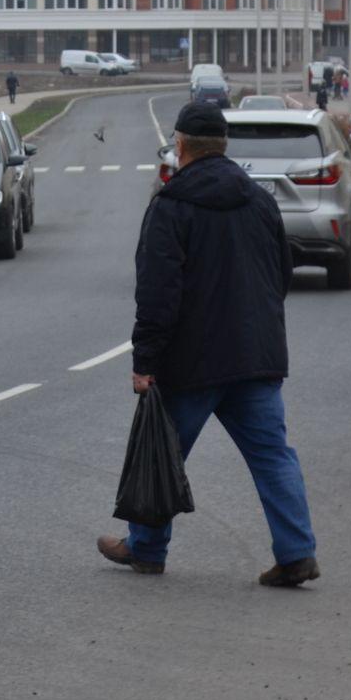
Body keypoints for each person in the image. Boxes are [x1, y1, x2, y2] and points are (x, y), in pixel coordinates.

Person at [100, 100, 319, 587]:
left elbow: (157, 292)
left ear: (180, 146)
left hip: (192, 363)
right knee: (273, 455)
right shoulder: (259, 200)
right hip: (255, 357)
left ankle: (146, 549)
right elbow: (280, 272)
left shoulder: (172, 205)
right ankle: (297, 551)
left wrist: (146, 361)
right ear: (224, 145)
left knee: (162, 451)